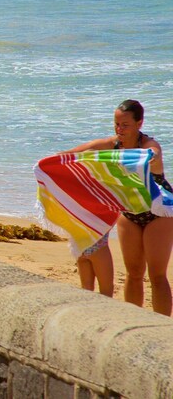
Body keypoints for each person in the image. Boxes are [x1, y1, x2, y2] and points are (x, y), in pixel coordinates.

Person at [68, 99, 173, 315]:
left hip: (159, 212)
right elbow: (77, 153)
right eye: (116, 124)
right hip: (130, 212)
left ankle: (163, 326)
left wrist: (149, 157)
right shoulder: (114, 144)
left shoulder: (148, 146)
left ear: (139, 124)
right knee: (133, 273)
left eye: (125, 125)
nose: (119, 129)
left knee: (157, 275)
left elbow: (153, 154)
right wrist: (50, 162)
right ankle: (133, 321)